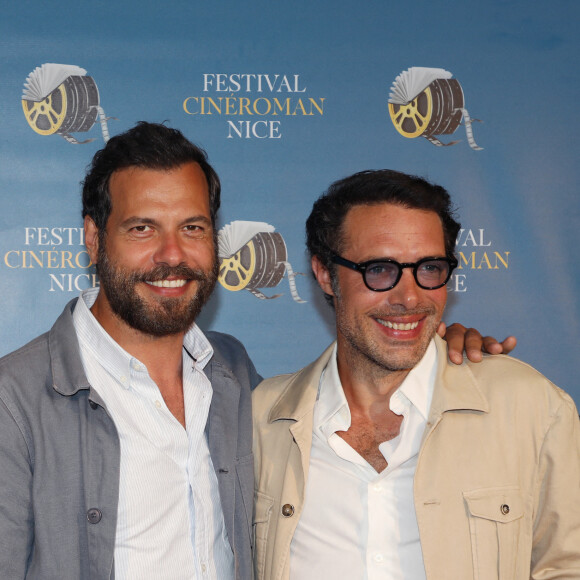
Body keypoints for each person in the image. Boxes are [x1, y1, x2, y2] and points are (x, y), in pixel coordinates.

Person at [0, 123, 513, 580]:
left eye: (192, 228)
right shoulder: (15, 401)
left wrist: (432, 342)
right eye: (142, 228)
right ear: (93, 238)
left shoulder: (236, 374)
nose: (172, 255)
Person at [252, 169, 580, 580]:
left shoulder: (533, 409)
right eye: (379, 269)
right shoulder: (261, 419)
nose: (409, 297)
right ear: (324, 273)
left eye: (428, 268)